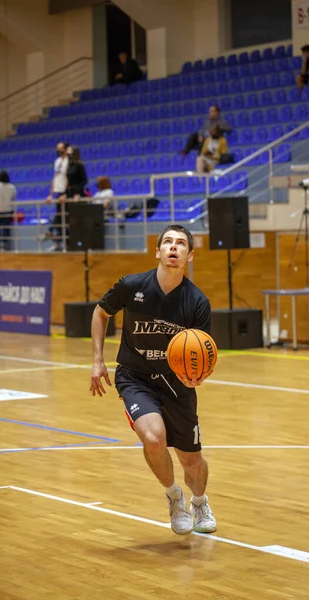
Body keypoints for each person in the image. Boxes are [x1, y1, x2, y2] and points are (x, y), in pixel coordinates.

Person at [90, 224, 217, 536]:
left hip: (177, 384)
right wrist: (97, 360)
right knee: (154, 438)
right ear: (158, 251)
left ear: (189, 256)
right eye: (168, 242)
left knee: (192, 461)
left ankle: (199, 501)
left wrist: (196, 376)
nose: (174, 248)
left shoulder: (197, 302)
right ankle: (174, 497)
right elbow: (100, 313)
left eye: (181, 244)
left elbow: (204, 351)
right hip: (136, 377)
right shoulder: (132, 286)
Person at [43, 141, 69, 251]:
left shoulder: (70, 161)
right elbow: (55, 177)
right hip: (58, 192)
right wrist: (50, 195)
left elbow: (70, 177)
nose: (58, 151)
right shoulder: (57, 161)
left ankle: (61, 241)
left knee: (63, 219)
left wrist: (67, 193)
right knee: (59, 219)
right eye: (57, 148)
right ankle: (59, 242)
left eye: (60, 148)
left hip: (66, 193)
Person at [0, 170, 16, 251]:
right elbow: (13, 198)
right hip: (8, 210)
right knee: (6, 228)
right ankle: (5, 246)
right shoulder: (12, 187)